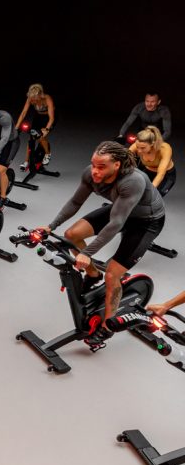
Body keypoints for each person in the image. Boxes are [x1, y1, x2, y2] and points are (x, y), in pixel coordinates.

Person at [39, 141, 165, 347]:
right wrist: (51, 226)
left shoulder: (133, 180)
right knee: (71, 235)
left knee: (113, 275)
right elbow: (75, 202)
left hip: (145, 222)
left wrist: (87, 253)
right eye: (93, 165)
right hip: (120, 210)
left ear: (116, 165)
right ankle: (93, 274)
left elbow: (116, 223)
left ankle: (107, 327)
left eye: (101, 167)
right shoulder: (90, 174)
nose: (95, 171)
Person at [14, 83, 55, 168]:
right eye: (31, 100)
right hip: (38, 116)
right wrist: (16, 127)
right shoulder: (30, 98)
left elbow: (51, 118)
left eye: (34, 100)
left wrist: (46, 129)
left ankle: (47, 154)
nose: (32, 102)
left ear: (39, 96)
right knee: (31, 138)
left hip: (48, 118)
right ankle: (26, 161)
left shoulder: (47, 99)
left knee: (40, 137)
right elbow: (23, 113)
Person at [129, 125, 176, 196]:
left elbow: (161, 174)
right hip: (147, 172)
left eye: (143, 148)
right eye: (137, 147)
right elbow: (122, 158)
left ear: (152, 144)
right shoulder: (138, 145)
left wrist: (150, 190)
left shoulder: (164, 149)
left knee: (153, 196)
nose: (139, 150)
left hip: (166, 175)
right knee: (133, 192)